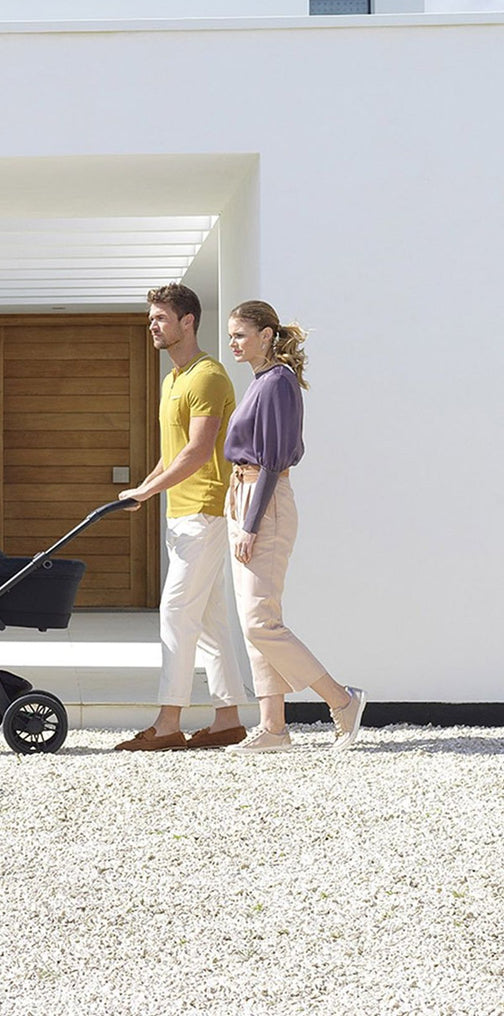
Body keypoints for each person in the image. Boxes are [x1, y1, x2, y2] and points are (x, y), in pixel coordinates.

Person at [222, 300, 365, 753]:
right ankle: (273, 728)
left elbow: (273, 459)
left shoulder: (278, 382)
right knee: (254, 620)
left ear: (266, 334)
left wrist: (251, 523)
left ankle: (341, 701)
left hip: (263, 504)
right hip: (243, 497)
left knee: (262, 620)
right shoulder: (262, 380)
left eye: (240, 334)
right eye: (231, 334)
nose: (233, 342)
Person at [114, 283, 248, 751]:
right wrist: (144, 492)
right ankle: (228, 719)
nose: (152, 325)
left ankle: (168, 724)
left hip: (207, 510)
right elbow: (170, 455)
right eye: (150, 317)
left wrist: (148, 491)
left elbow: (196, 452)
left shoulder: (208, 376)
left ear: (188, 321)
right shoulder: (172, 379)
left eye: (160, 318)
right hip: (181, 514)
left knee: (175, 612)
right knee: (209, 619)